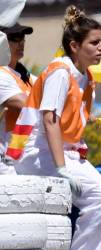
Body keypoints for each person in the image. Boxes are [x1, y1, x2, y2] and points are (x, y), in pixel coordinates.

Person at [9, 6, 101, 250]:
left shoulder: (86, 77)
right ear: (75, 46)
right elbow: (49, 120)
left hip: (66, 152)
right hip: (39, 154)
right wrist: (60, 166)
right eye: (94, 43)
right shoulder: (60, 71)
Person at [0, 22, 35, 175]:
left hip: (25, 156)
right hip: (7, 163)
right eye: (14, 38)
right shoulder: (1, 75)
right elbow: (29, 105)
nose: (21, 42)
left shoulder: (24, 74)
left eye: (22, 37)